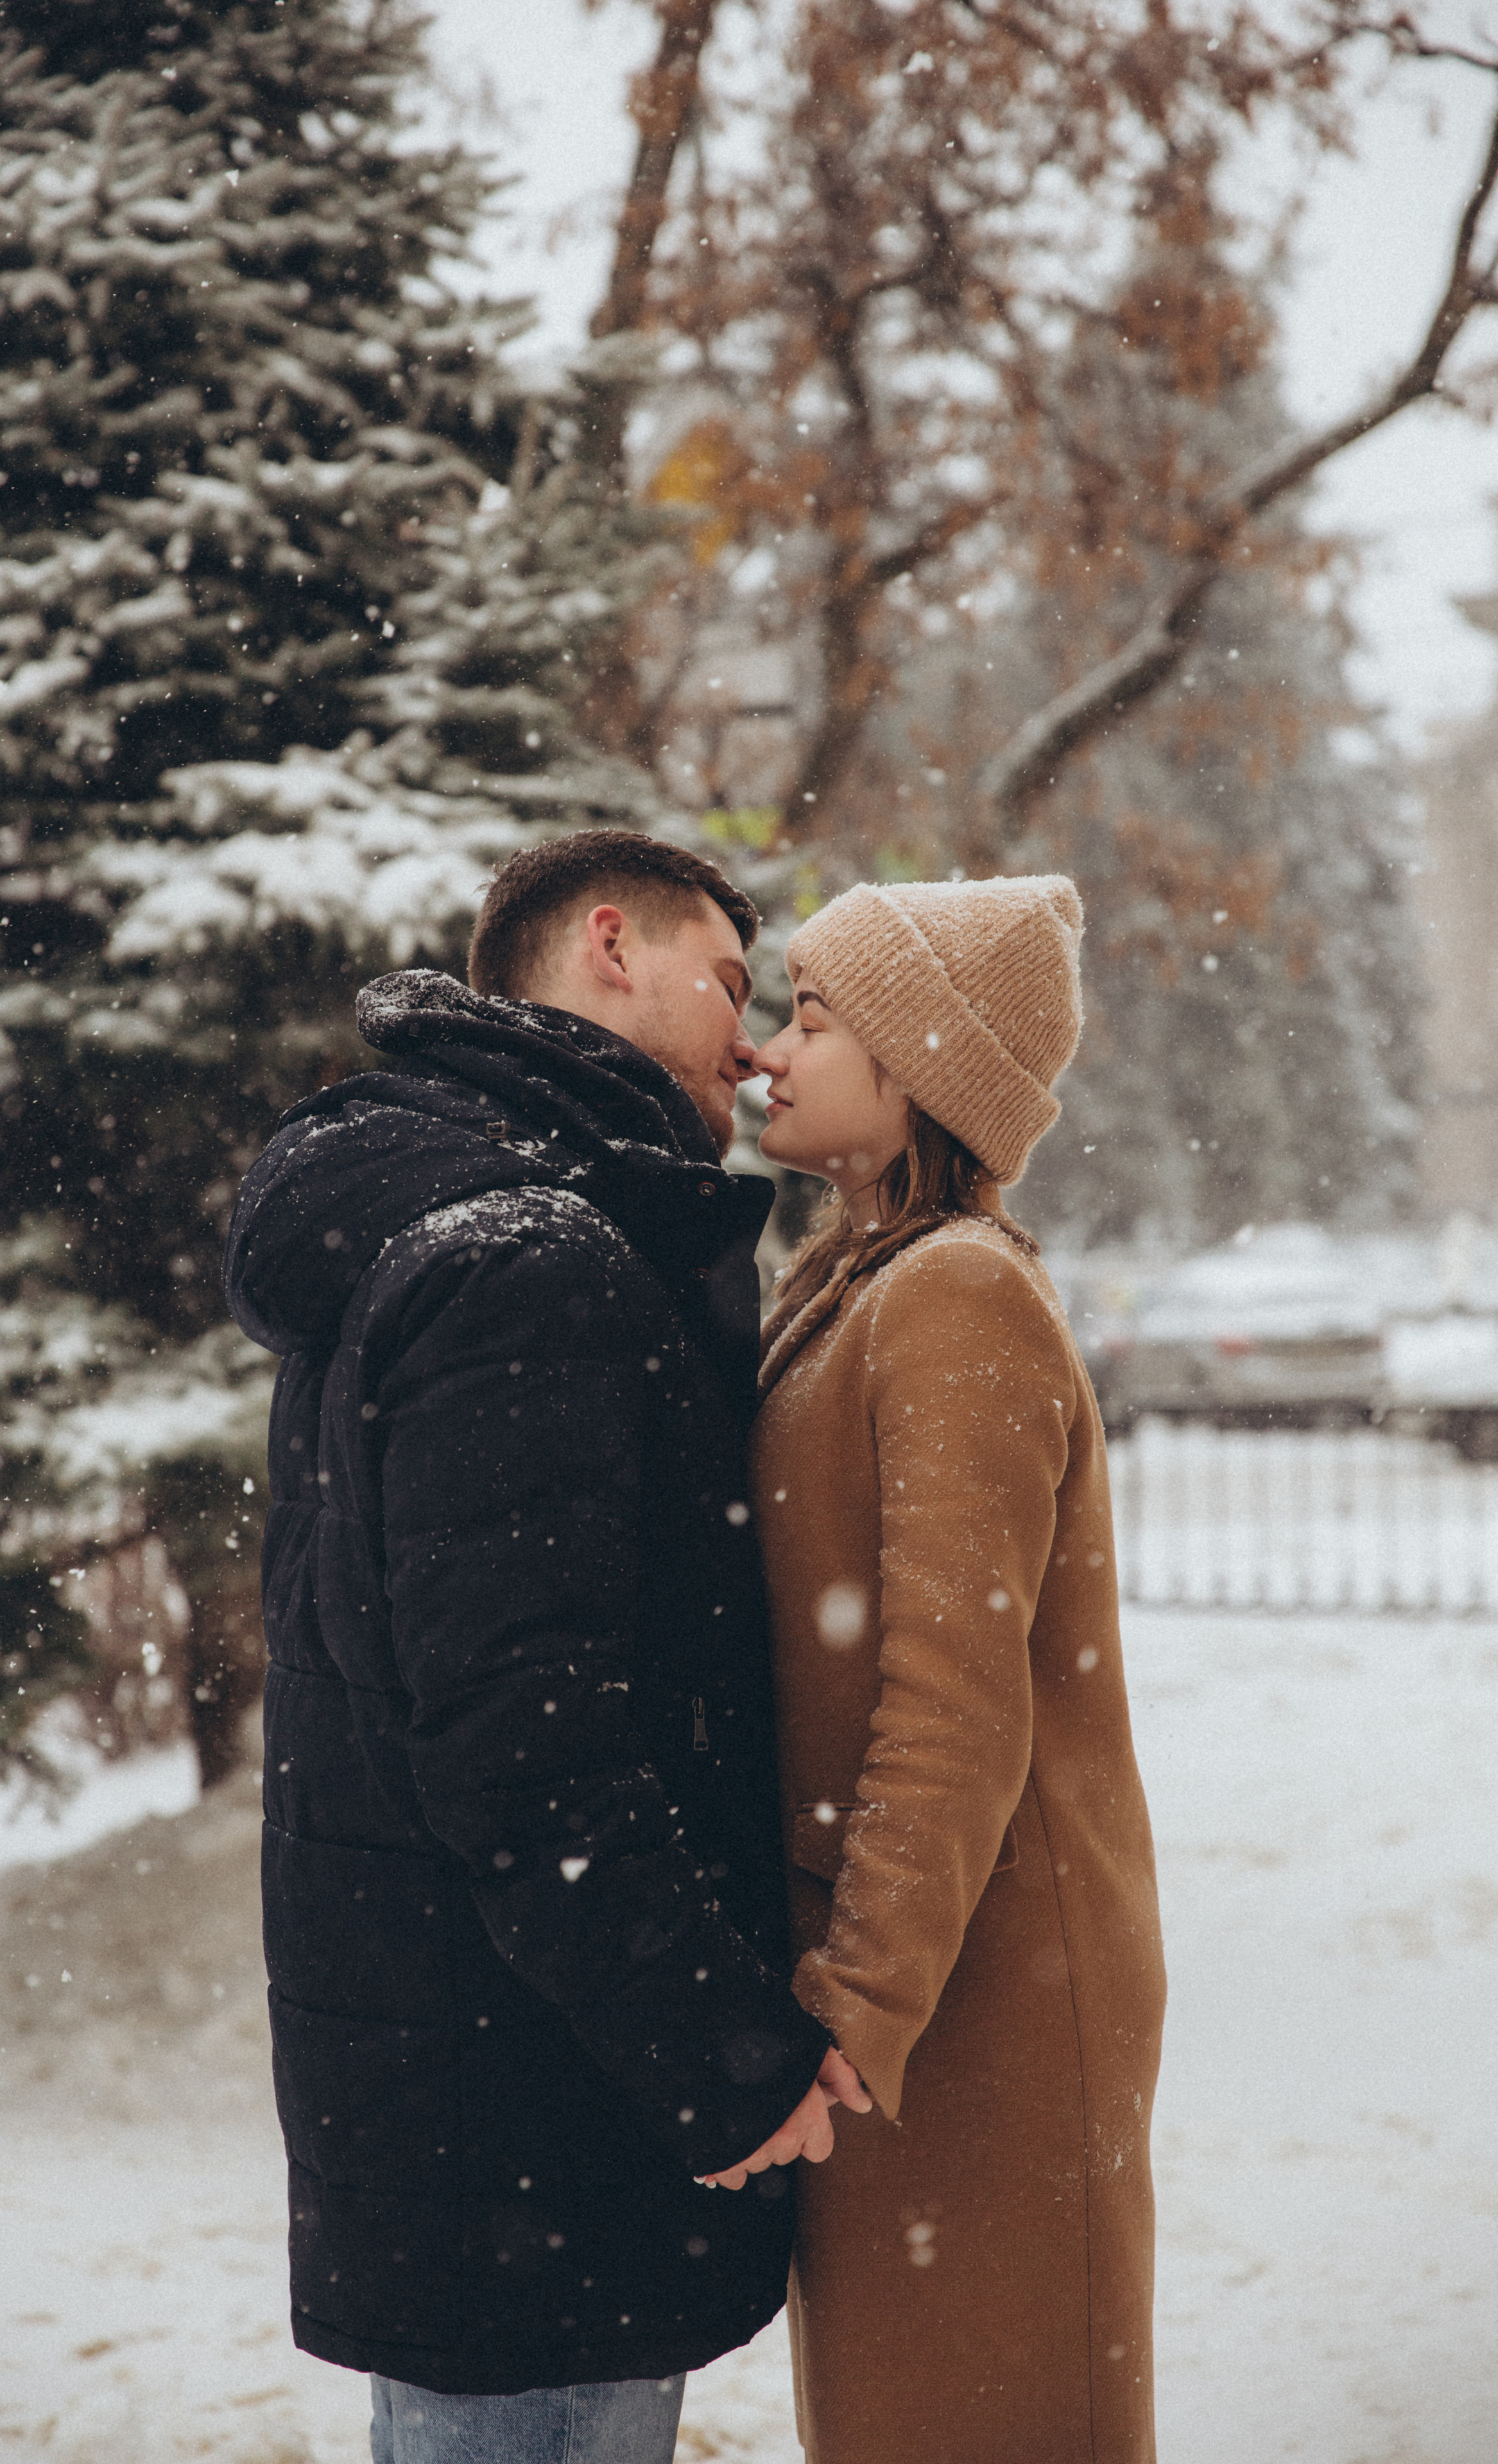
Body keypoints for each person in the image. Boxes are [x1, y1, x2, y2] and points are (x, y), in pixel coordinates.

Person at [223, 830, 865, 2464]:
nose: (748, 1038)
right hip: (530, 2116)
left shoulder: (454, 1219)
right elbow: (526, 1740)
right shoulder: (529, 1259)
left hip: (476, 2074)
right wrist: (720, 2057)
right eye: (729, 980)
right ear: (605, 945)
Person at [740, 875, 1167, 2464]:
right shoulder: (857, 1277)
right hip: (922, 1979)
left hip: (978, 1993)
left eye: (812, 1016)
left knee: (978, 2422)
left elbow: (954, 1698)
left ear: (918, 1060)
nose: (769, 1054)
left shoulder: (952, 1295)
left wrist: (859, 2002)